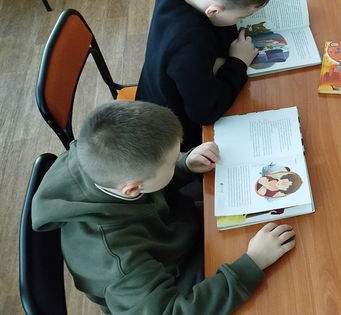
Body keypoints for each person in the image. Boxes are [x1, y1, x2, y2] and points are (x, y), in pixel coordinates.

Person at [32, 101, 296, 314]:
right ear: (132, 189)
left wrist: (184, 165)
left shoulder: (96, 157)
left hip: (176, 233)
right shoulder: (119, 262)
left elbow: (150, 180)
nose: (177, 159)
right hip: (172, 285)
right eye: (170, 163)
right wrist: (252, 264)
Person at [136, 0, 272, 150]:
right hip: (174, 137)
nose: (242, 21)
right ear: (213, 11)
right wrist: (237, 62)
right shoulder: (189, 46)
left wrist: (218, 60)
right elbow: (205, 112)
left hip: (168, 92)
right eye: (242, 16)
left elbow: (215, 30)